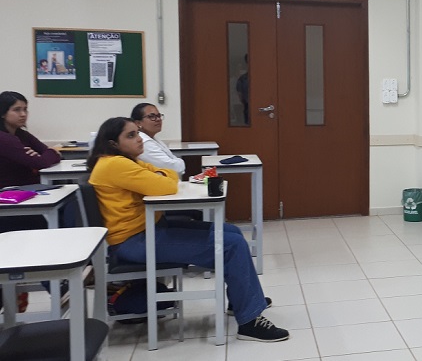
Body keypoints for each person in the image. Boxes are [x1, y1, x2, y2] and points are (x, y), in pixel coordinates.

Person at [87, 117, 289, 342]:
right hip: (134, 242)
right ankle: (249, 322)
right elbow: (167, 183)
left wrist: (161, 175)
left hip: (148, 229)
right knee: (231, 244)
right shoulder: (115, 164)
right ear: (113, 143)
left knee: (230, 231)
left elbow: (167, 173)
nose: (139, 139)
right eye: (131, 135)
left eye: (137, 133)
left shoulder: (124, 160)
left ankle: (240, 301)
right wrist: (161, 176)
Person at [0, 91, 64, 313]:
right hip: (9, 205)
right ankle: (57, 284)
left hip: (26, 198)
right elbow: (43, 161)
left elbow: (51, 154)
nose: (23, 114)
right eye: (17, 110)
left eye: (25, 109)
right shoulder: (4, 139)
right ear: (3, 113)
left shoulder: (21, 135)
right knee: (46, 232)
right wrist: (37, 159)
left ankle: (57, 284)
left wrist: (40, 157)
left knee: (55, 221)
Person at [130, 103, 185, 175]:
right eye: (152, 116)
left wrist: (177, 163)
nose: (158, 119)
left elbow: (173, 163)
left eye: (158, 116)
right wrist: (180, 162)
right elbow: (175, 168)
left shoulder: (153, 137)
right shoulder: (143, 142)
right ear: (138, 123)